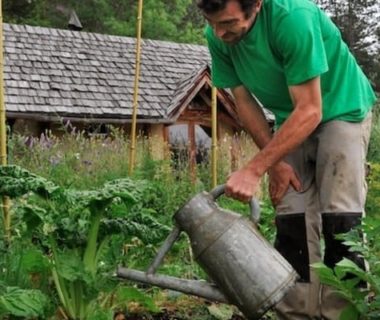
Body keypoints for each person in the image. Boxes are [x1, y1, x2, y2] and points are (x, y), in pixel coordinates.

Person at [196, 0, 377, 319]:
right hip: (290, 118)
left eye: (228, 23)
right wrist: (274, 164)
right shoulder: (217, 34)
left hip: (341, 110)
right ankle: (296, 311)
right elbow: (243, 101)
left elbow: (311, 110)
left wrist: (253, 170)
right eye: (212, 23)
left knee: (339, 215)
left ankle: (344, 312)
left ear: (257, 5)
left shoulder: (294, 19)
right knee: (291, 212)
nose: (219, 32)